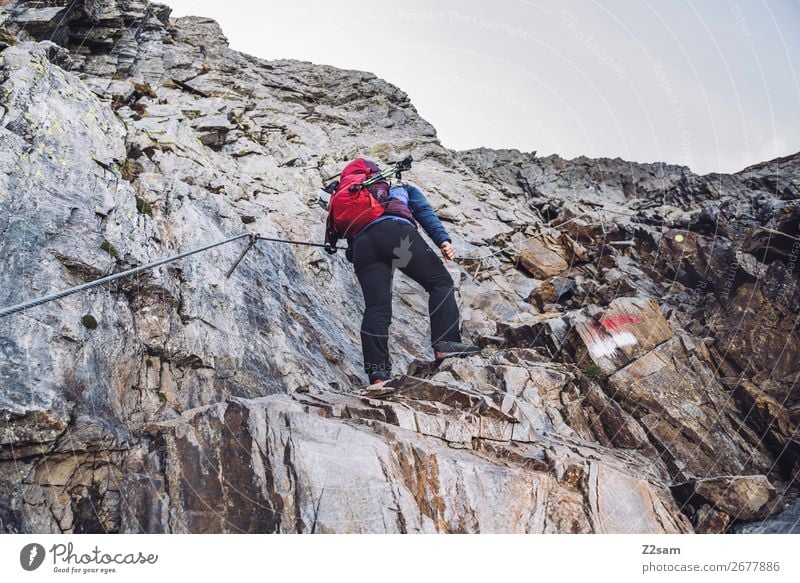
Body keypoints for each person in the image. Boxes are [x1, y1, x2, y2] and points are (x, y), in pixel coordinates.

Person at [324, 158, 480, 384]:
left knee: (377, 307)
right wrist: (443, 240)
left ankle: (378, 374)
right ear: (375, 174)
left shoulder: (345, 196)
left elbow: (348, 237)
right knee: (440, 283)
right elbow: (424, 212)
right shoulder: (396, 187)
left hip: (363, 247)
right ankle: (446, 343)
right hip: (395, 232)